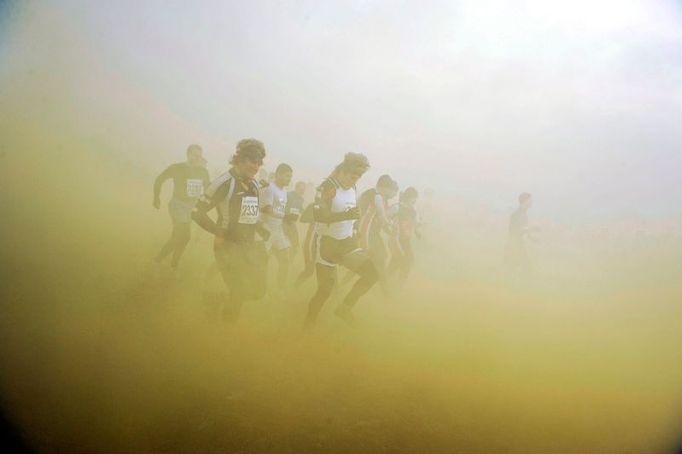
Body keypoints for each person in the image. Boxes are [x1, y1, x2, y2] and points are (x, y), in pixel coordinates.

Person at [192, 139, 269, 322]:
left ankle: (216, 297)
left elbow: (248, 213)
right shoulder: (223, 183)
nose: (255, 167)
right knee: (239, 291)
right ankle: (226, 334)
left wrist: (259, 227)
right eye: (252, 161)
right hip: (227, 246)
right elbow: (197, 212)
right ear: (239, 160)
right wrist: (219, 232)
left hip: (249, 246)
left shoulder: (255, 185)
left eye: (258, 163)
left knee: (258, 292)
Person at [303, 153, 378, 328]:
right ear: (342, 172)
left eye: (359, 177)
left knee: (372, 274)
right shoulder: (327, 187)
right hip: (326, 245)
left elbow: (350, 211)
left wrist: (355, 225)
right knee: (324, 292)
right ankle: (307, 325)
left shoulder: (352, 189)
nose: (356, 180)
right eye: (353, 176)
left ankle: (344, 308)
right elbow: (319, 216)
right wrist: (346, 215)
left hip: (346, 243)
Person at [153, 144, 210, 272]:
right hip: (177, 205)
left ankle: (166, 263)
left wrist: (205, 202)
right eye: (195, 155)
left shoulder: (203, 171)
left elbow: (208, 189)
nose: (197, 159)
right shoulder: (178, 168)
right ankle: (165, 263)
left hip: (191, 208)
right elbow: (160, 179)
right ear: (188, 155)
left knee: (178, 237)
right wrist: (156, 197)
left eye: (199, 156)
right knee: (185, 236)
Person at [357, 175, 399, 296]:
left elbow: (380, 220)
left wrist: (389, 229)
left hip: (372, 234)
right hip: (365, 233)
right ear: (384, 188)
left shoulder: (382, 199)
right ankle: (385, 291)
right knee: (374, 261)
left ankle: (384, 290)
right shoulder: (377, 196)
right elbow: (381, 214)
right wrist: (389, 224)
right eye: (392, 192)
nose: (393, 195)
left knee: (379, 259)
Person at [260, 163, 296, 297]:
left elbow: (279, 210)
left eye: (290, 177)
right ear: (278, 174)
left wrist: (286, 219)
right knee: (263, 263)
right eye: (287, 176)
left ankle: (280, 289)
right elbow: (266, 209)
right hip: (265, 229)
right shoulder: (270, 188)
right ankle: (260, 290)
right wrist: (285, 216)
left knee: (285, 260)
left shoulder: (284, 191)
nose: (289, 179)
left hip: (278, 230)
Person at [387, 187, 420, 286]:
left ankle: (385, 281)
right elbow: (385, 217)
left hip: (406, 240)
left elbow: (414, 223)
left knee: (399, 261)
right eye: (412, 197)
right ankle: (396, 286)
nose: (414, 200)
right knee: (405, 260)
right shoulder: (397, 207)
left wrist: (417, 232)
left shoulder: (413, 210)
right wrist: (391, 225)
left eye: (415, 198)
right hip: (396, 239)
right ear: (407, 197)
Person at [504, 192, 534, 275]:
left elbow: (523, 230)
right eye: (530, 200)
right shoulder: (517, 215)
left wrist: (532, 238)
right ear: (525, 201)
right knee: (523, 267)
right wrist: (531, 229)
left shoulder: (523, 214)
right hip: (515, 244)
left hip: (518, 244)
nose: (532, 202)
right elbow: (514, 230)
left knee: (519, 267)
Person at [283, 181, 306, 262]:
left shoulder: (301, 199)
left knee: (295, 244)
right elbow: (281, 206)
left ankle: (290, 261)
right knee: (279, 244)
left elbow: (300, 209)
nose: (303, 191)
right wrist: (288, 212)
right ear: (296, 188)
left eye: (304, 190)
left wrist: (307, 214)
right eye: (301, 189)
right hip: (283, 222)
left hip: (292, 223)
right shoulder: (288, 195)